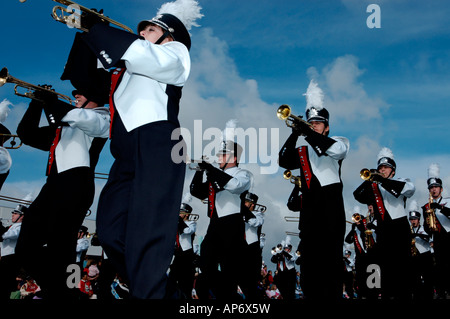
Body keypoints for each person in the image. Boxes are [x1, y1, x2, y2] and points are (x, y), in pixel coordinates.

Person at [71, 0, 203, 299]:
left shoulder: (175, 52)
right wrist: (85, 31)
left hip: (158, 143)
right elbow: (90, 75)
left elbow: (141, 53)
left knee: (148, 235)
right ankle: (166, 295)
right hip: (126, 152)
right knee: (109, 232)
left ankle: (150, 293)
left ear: (170, 35)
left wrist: (96, 27)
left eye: (151, 28)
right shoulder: (130, 68)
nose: (142, 32)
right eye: (141, 28)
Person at [14, 80, 110, 299]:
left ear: (94, 97)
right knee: (26, 249)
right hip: (54, 185)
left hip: (76, 184)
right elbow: (26, 134)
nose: (75, 95)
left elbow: (78, 117)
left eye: (80, 93)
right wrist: (37, 103)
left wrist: (51, 102)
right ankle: (62, 290)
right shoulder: (65, 125)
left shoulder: (103, 117)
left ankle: (65, 291)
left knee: (63, 248)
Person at [278, 80, 349, 300]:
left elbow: (332, 150)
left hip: (331, 210)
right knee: (309, 267)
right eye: (310, 122)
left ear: (326, 126)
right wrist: (294, 133)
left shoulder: (338, 141)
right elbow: (283, 161)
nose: (313, 125)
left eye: (318, 122)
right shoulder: (303, 151)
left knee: (332, 265)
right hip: (309, 213)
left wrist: (308, 134)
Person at [190, 121, 252, 299]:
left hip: (232, 224)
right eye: (219, 154)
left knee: (229, 271)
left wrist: (211, 170)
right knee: (206, 266)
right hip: (215, 224)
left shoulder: (243, 173)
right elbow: (195, 191)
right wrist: (200, 170)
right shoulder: (214, 175)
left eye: (223, 155)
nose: (218, 158)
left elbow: (234, 186)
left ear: (234, 158)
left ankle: (230, 296)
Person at [353, 147, 415, 299]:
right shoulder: (374, 188)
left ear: (393, 170)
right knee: (383, 272)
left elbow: (410, 190)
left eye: (386, 167)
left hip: (400, 229)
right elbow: (357, 195)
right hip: (383, 232)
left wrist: (381, 180)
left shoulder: (401, 181)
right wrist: (370, 179)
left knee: (402, 271)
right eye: (380, 167)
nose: (382, 170)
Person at [421, 163, 450, 298]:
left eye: (436, 187)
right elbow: (426, 226)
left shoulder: (448, 202)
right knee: (439, 267)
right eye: (431, 187)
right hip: (437, 239)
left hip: (449, 236)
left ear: (441, 189)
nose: (433, 190)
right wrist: (428, 225)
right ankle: (441, 292)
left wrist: (439, 207)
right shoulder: (426, 206)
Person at [169, 193, 197, 299]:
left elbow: (187, 231)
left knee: (185, 285)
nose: (179, 215)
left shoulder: (191, 222)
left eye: (180, 213)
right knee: (171, 281)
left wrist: (180, 221)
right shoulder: (176, 224)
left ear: (186, 214)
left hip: (187, 256)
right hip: (178, 256)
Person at [240, 191, 265, 299]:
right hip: (239, 249)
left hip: (252, 251)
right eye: (245, 202)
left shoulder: (258, 214)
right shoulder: (237, 214)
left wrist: (244, 209)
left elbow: (255, 222)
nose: (253, 205)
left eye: (248, 202)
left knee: (251, 285)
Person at [0, 204, 26, 299]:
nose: (12, 215)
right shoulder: (12, 227)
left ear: (22, 216)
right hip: (5, 259)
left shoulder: (21, 228)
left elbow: (5, 235)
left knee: (5, 286)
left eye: (15, 213)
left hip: (11, 259)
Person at [408, 201, 433, 299]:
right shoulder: (409, 230)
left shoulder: (424, 228)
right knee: (415, 279)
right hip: (414, 257)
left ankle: (429, 296)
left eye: (415, 219)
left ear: (419, 220)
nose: (413, 221)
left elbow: (429, 238)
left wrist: (418, 235)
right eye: (411, 219)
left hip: (425, 255)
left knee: (428, 278)